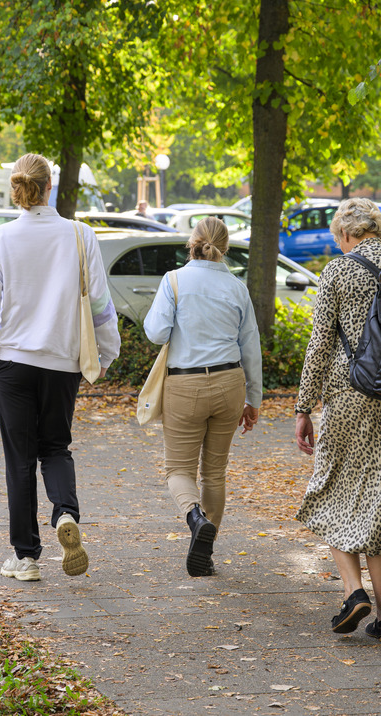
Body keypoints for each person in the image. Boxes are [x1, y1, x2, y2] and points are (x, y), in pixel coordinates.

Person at [293, 197, 381, 645]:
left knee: (335, 490)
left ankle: (353, 592)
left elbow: (320, 343)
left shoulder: (339, 270)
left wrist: (303, 407)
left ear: (345, 234)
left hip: (351, 394)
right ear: (379, 229)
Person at [0, 153, 121, 582]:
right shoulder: (80, 236)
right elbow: (99, 306)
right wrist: (104, 356)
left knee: (19, 458)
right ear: (50, 186)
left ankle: (25, 557)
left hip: (13, 363)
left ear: (19, 188)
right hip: (62, 363)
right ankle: (65, 513)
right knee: (55, 446)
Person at [143, 217, 262, 577]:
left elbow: (156, 331)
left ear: (192, 242)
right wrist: (253, 400)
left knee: (178, 469)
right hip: (230, 382)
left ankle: (195, 519)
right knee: (215, 473)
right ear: (224, 247)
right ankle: (206, 553)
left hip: (185, 385)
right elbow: (250, 347)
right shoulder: (237, 287)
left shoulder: (174, 281)